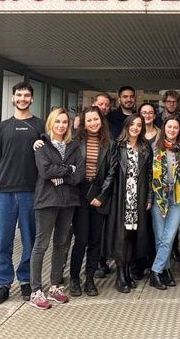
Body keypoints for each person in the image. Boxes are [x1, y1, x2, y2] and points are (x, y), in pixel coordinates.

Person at [0, 82, 45, 306]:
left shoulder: (40, 125)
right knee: (3, 240)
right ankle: (2, 284)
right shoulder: (1, 128)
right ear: (13, 98)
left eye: (27, 95)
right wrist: (3, 179)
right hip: (5, 193)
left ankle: (26, 281)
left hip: (32, 192)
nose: (22, 99)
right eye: (19, 95)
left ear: (32, 99)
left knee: (30, 240)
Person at [30, 108, 85, 309]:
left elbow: (79, 174)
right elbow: (45, 172)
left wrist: (61, 175)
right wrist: (67, 170)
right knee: (41, 245)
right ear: (51, 123)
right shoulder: (42, 146)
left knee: (61, 244)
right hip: (47, 200)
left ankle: (54, 287)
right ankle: (36, 291)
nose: (61, 125)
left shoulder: (74, 146)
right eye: (58, 122)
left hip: (68, 201)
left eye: (65, 122)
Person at [69, 106, 117, 298]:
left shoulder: (109, 143)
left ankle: (89, 278)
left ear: (101, 120)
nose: (93, 123)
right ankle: (74, 278)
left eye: (95, 119)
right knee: (81, 239)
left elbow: (112, 172)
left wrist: (102, 196)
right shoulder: (75, 142)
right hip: (80, 193)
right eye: (89, 120)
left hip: (99, 194)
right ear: (83, 123)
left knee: (95, 240)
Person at [102, 113, 153, 293]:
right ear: (127, 126)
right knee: (121, 236)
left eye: (139, 125)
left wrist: (149, 198)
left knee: (132, 236)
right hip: (120, 197)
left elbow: (149, 174)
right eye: (133, 124)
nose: (136, 128)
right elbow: (111, 172)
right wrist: (103, 196)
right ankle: (120, 274)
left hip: (137, 197)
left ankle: (128, 272)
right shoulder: (117, 146)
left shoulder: (146, 147)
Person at [148, 116, 180, 290]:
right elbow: (149, 175)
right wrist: (149, 198)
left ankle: (155, 271)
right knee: (160, 237)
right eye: (169, 127)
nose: (172, 130)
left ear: (179, 130)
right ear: (165, 128)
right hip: (159, 196)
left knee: (169, 235)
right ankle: (166, 270)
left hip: (177, 196)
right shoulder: (155, 148)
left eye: (176, 127)